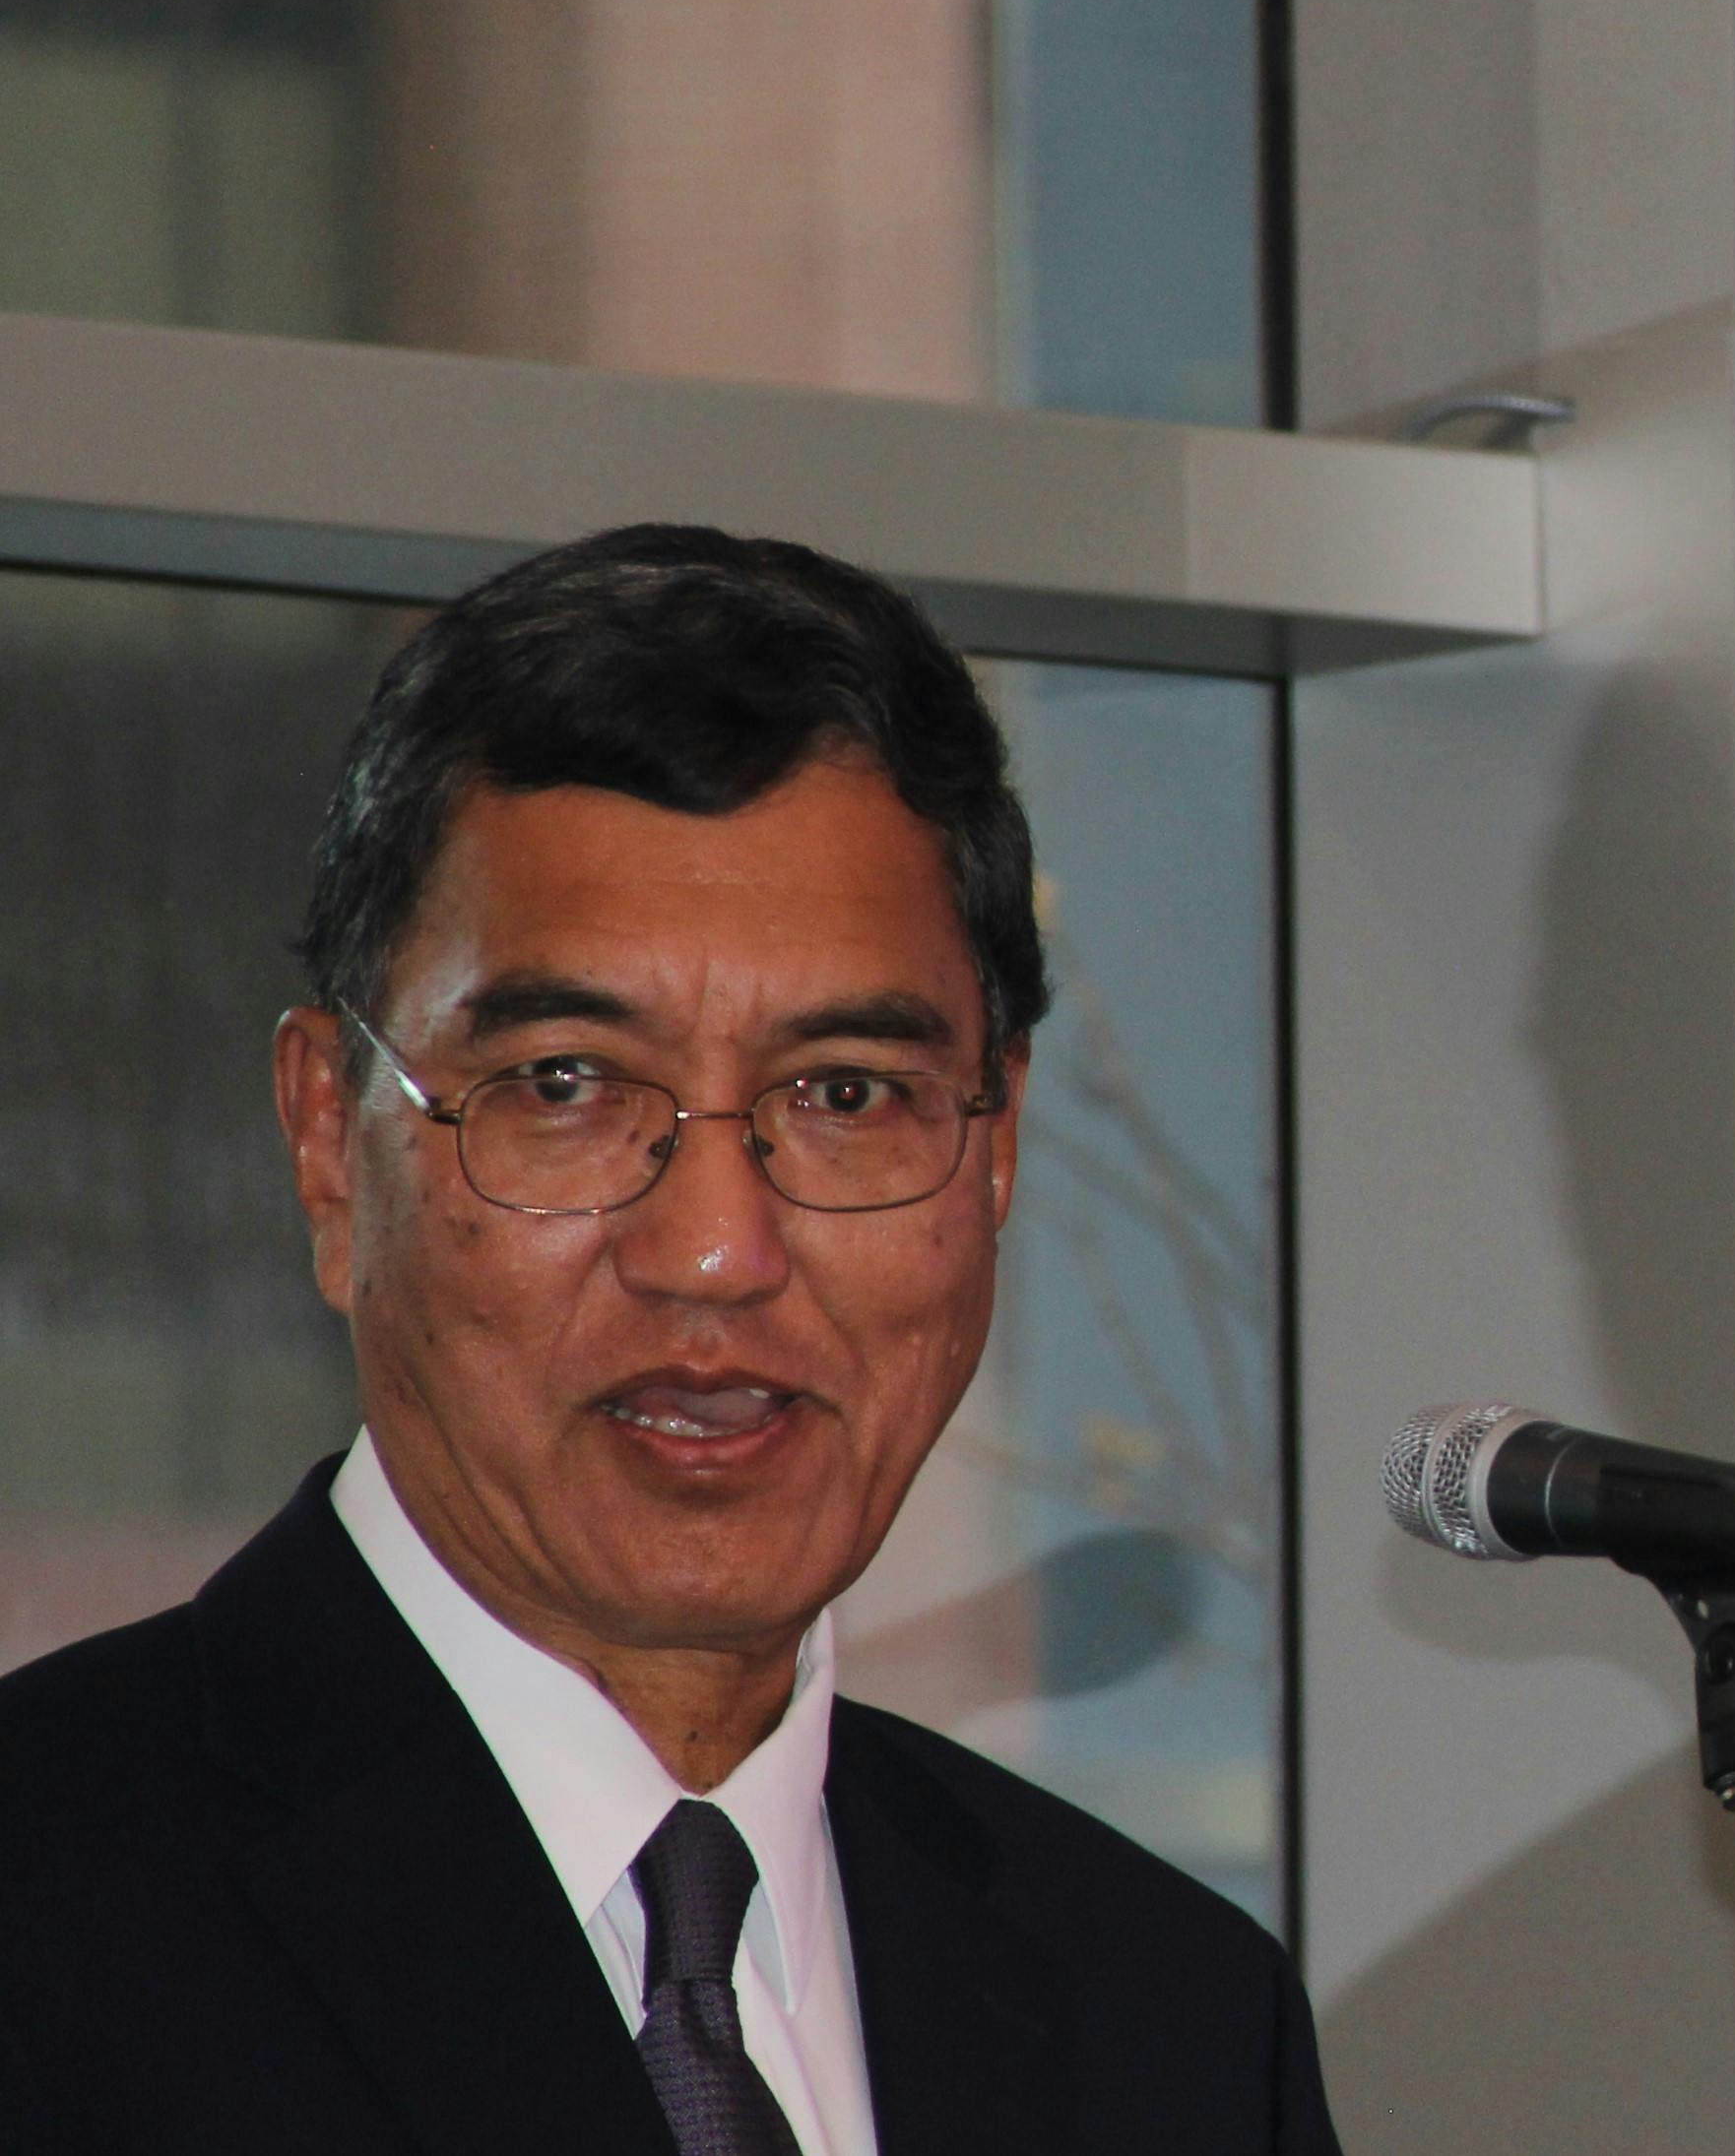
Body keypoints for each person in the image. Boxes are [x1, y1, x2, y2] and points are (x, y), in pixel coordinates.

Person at [0, 527, 1344, 2154]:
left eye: (847, 1094)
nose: (715, 1247)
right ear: (324, 1142)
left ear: (993, 1156)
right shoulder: (54, 1914)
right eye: (565, 1084)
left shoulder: (1175, 2027)